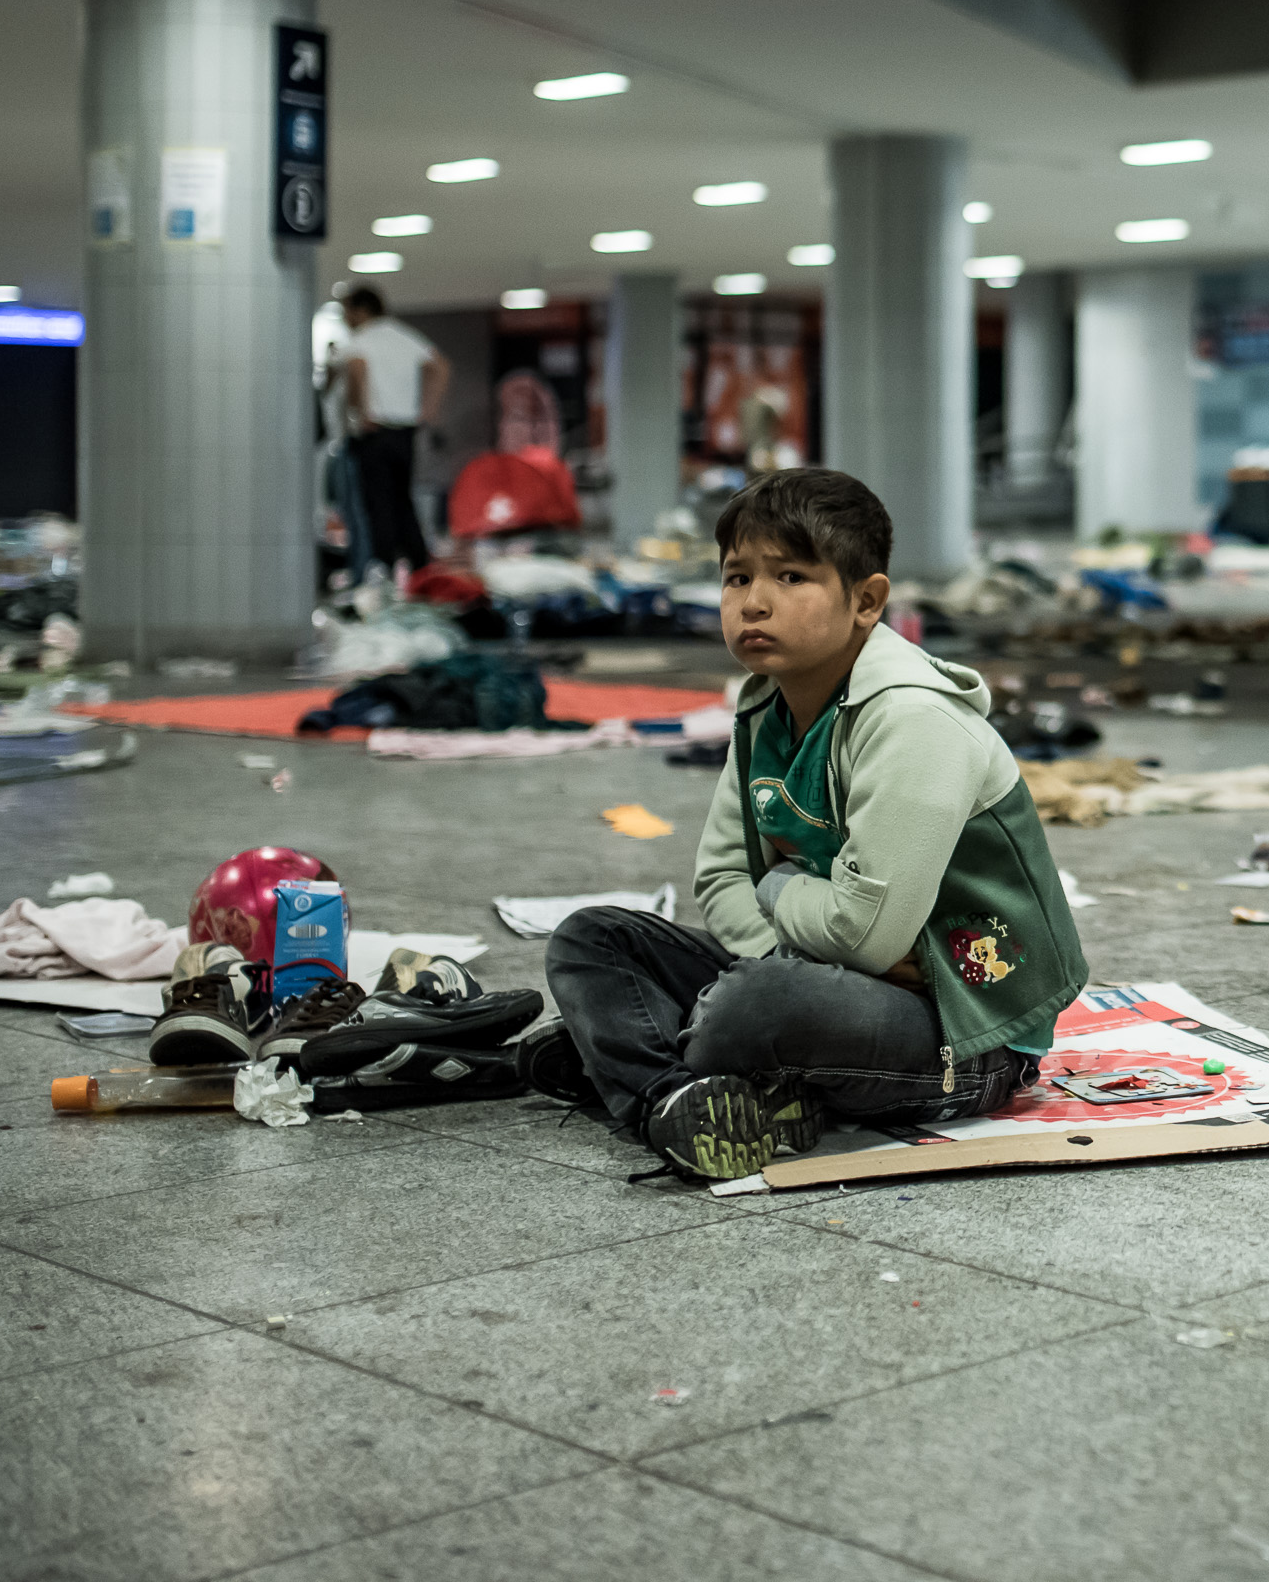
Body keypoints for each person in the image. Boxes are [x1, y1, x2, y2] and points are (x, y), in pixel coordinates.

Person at [526, 468, 1090, 1181]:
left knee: (758, 1004)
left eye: (791, 577)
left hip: (967, 1031)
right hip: (832, 977)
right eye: (736, 579)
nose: (755, 603)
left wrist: (784, 890)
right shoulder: (765, 705)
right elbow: (722, 880)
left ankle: (629, 1063)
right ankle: (674, 1098)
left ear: (866, 601)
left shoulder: (913, 719)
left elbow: (862, 929)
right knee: (593, 939)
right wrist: (811, 953)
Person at [335, 287, 447, 579]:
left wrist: (361, 412)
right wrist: (428, 410)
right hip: (405, 432)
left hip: (376, 431)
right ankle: (419, 565)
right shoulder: (403, 336)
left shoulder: (360, 340)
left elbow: (357, 368)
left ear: (360, 310)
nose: (345, 318)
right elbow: (440, 365)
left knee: (377, 503)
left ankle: (382, 566)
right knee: (402, 499)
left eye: (346, 310)